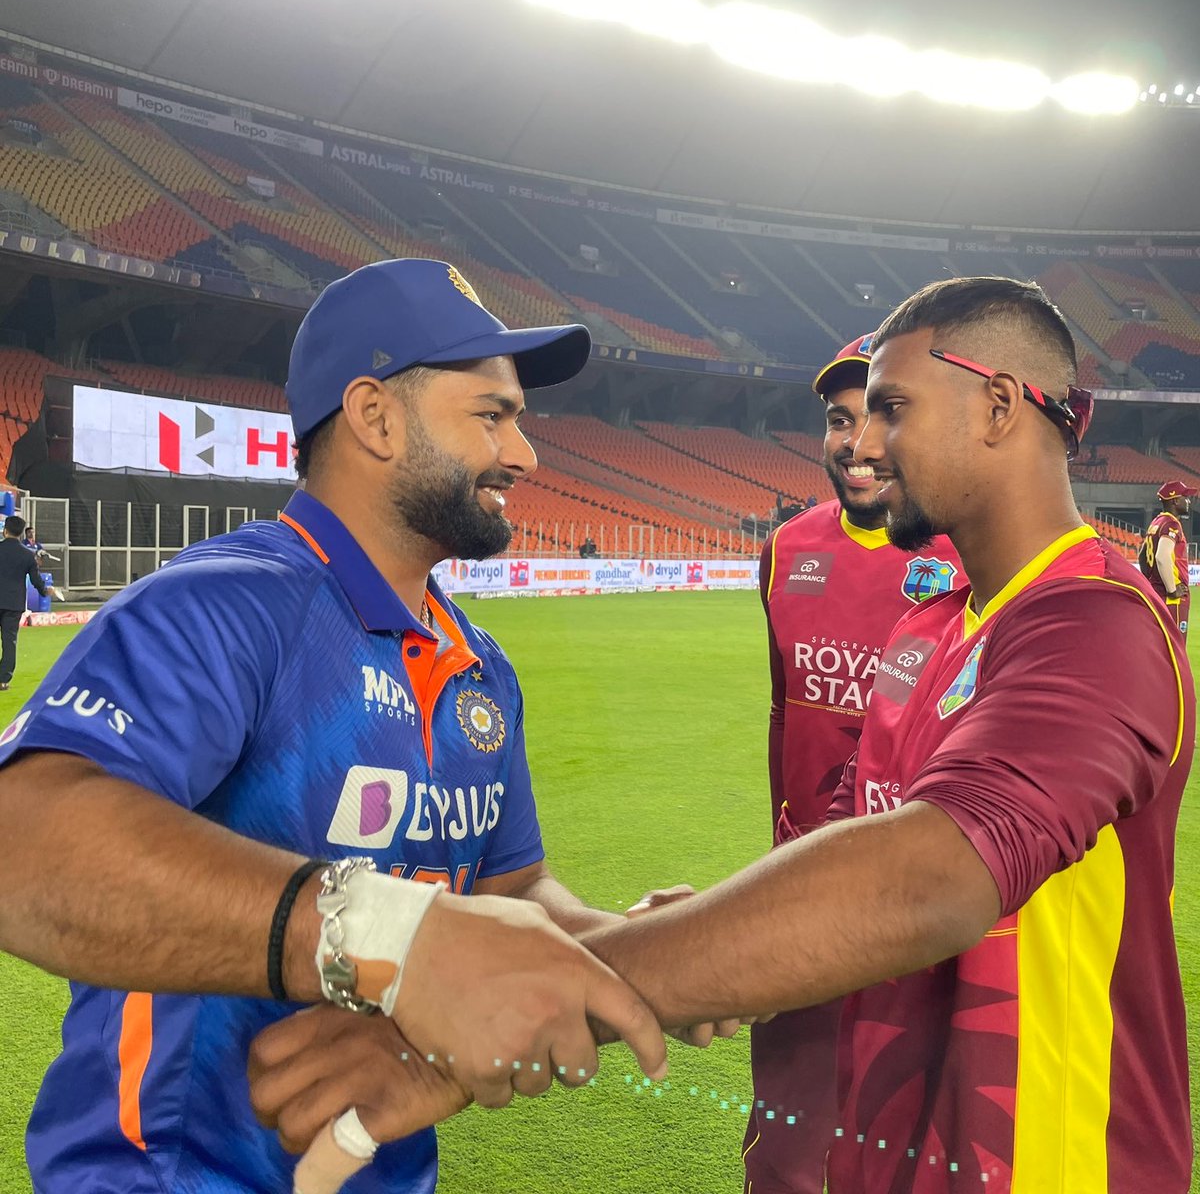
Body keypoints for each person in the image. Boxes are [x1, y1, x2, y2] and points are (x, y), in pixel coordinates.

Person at [256, 277, 1196, 1194]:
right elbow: (854, 842)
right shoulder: (933, 629)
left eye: (894, 407)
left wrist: (512, 1009)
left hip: (1048, 1154)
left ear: (999, 406)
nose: (864, 442)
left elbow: (931, 876)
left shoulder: (1097, 621)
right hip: (898, 1143)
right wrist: (709, 934)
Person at [0, 259, 680, 1194]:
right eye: (491, 415)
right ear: (375, 416)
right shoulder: (224, 608)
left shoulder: (480, 663)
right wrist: (386, 931)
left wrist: (606, 946)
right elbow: (23, 841)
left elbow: (513, 884)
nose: (524, 455)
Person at [745, 335, 961, 1194]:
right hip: (801, 901)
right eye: (839, 419)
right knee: (787, 1154)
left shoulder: (960, 561)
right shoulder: (786, 550)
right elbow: (782, 716)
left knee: (907, 1153)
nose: (856, 442)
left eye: (879, 414)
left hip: (920, 912)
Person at [1140, 478, 1197, 635]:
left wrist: (1149, 583)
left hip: (1156, 592)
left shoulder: (1156, 522)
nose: (1188, 502)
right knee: (1175, 648)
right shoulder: (1172, 524)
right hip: (1171, 598)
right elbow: (1162, 557)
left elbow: (1142, 556)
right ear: (1175, 500)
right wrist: (1172, 590)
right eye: (1185, 497)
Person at [0, 514, 47, 690]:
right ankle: (2, 679)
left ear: (5, 531)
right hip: (13, 604)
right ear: (21, 534)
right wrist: (45, 591)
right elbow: (36, 581)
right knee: (9, 642)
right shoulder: (28, 555)